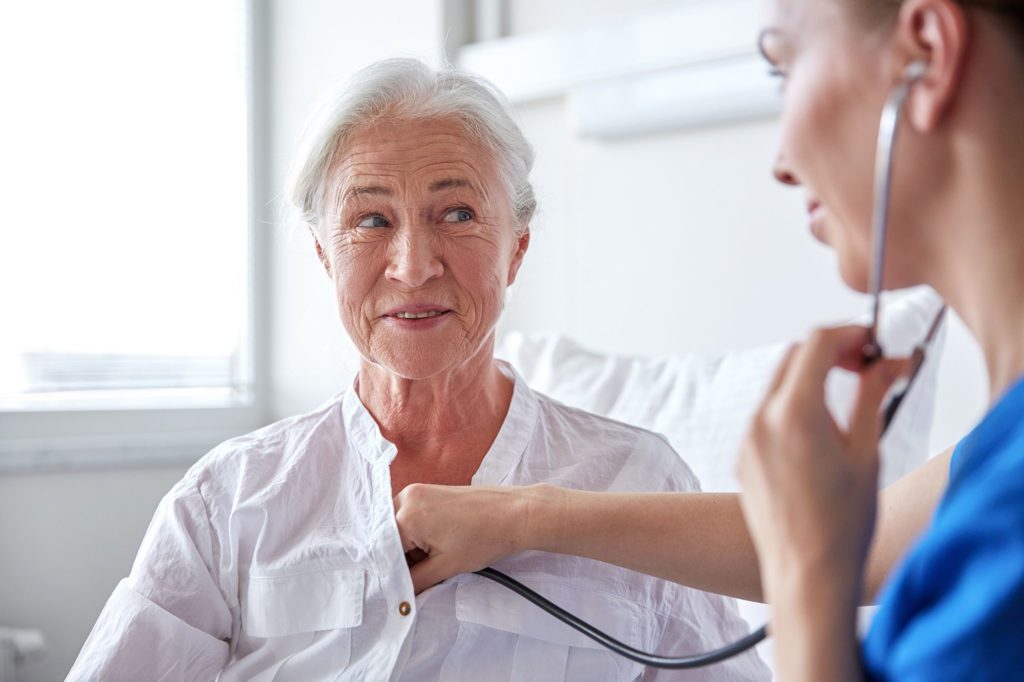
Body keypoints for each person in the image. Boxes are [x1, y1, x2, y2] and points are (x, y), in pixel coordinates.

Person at [67, 59, 768, 681]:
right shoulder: (225, 503)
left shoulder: (636, 482)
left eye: (457, 213)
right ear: (323, 254)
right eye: (371, 221)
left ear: (516, 250)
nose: (412, 265)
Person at [393, 1, 1024, 680]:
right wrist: (522, 515)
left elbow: (828, 558)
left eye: (784, 69)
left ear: (925, 53)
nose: (781, 160)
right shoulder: (998, 461)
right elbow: (868, 542)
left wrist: (810, 588)